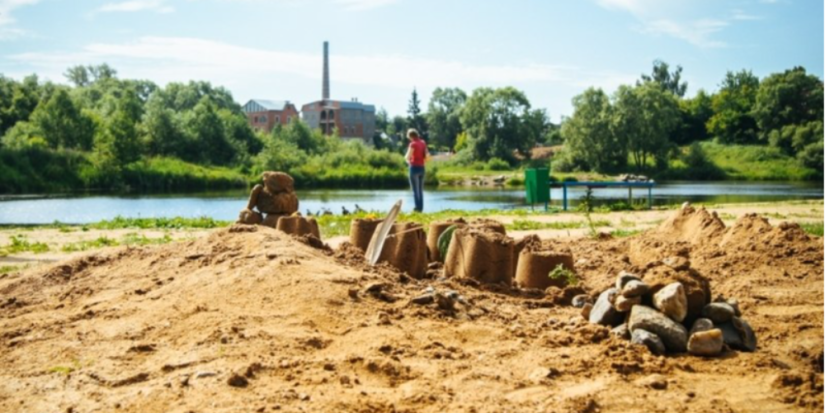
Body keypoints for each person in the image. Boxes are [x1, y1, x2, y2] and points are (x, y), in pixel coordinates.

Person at [404, 128, 428, 212]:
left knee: (415, 190)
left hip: (414, 167)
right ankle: (420, 208)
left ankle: (417, 208)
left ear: (410, 136)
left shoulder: (413, 144)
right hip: (422, 167)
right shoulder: (423, 143)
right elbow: (426, 155)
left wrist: (407, 161)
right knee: (420, 190)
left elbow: (408, 156)